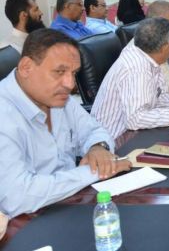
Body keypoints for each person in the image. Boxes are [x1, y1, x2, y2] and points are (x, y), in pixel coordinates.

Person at [0, 29, 131, 217]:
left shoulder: (58, 98)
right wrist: (93, 171)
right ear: (26, 67)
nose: (70, 84)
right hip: (26, 221)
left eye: (74, 73)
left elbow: (94, 130)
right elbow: (17, 198)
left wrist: (98, 148)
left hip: (68, 204)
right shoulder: (4, 114)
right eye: (59, 72)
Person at [91, 18, 169, 138]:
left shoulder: (148, 55)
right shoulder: (137, 68)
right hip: (115, 141)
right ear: (165, 47)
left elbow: (160, 96)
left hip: (136, 134)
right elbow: (135, 119)